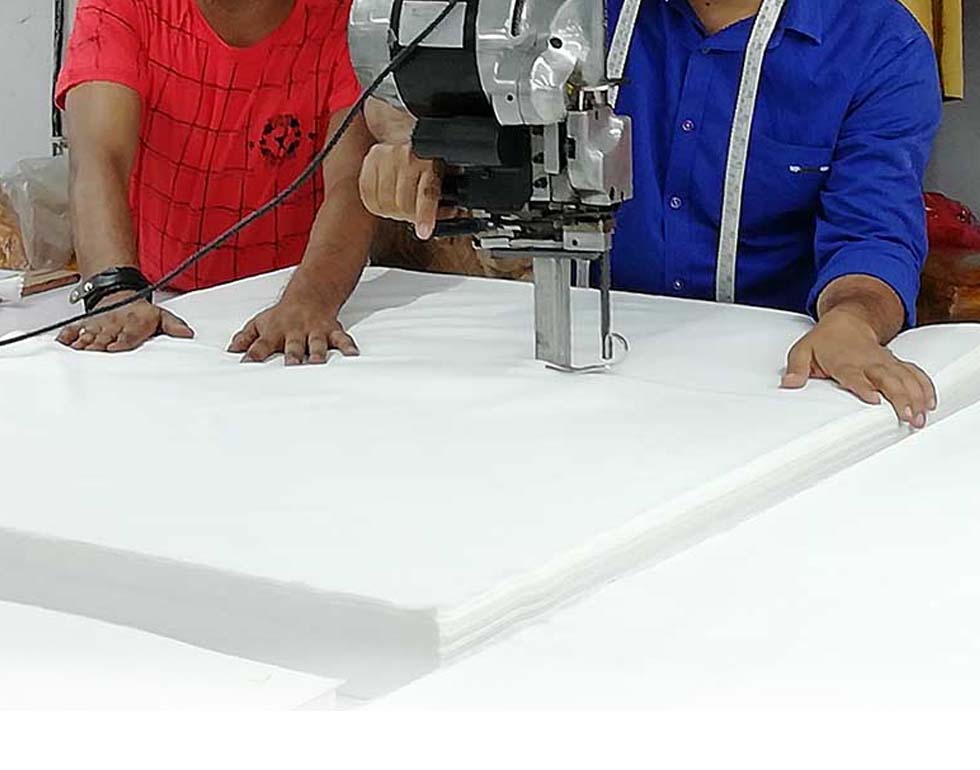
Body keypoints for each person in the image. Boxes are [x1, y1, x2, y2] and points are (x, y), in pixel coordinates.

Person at [359, 0, 944, 428]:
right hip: (580, 360)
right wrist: (428, 161)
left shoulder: (877, 44)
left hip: (765, 382)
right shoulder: (577, 17)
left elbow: (873, 234)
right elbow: (493, 134)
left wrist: (853, 322)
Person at [55, 0, 373, 365]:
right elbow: (98, 156)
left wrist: (311, 299)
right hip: (155, 307)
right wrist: (114, 291)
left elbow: (352, 181)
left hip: (292, 308)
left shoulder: (351, 16)